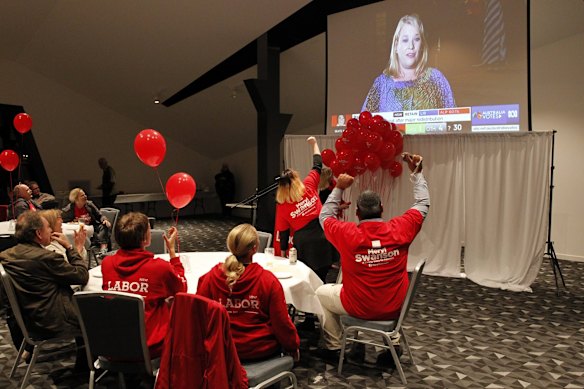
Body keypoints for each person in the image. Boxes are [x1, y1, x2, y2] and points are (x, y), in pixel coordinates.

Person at [315, 153, 429, 361]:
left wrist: (339, 187)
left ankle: (334, 347)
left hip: (359, 306)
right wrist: (417, 174)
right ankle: (390, 344)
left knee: (321, 293)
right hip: (395, 305)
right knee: (352, 283)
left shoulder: (348, 234)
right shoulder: (400, 229)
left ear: (357, 213)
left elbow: (325, 216)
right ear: (382, 209)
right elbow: (423, 203)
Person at [197, 223, 300, 362]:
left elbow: (198, 318)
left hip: (220, 351)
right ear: (255, 248)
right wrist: (293, 346)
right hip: (259, 352)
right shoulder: (268, 281)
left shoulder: (209, 278)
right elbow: (281, 323)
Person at [0, 211, 89, 369]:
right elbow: (82, 276)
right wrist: (69, 247)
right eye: (48, 227)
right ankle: (88, 366)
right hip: (52, 322)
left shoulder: (6, 256)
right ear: (39, 233)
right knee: (96, 314)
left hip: (28, 321)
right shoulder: (46, 258)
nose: (51, 231)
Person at [100, 212, 187, 358]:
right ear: (145, 238)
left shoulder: (107, 264)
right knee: (176, 304)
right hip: (150, 348)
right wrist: (172, 253)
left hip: (114, 345)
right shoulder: (159, 268)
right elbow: (181, 289)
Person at [362, 14, 455, 113]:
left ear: (422, 45)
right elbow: (363, 123)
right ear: (396, 46)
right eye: (405, 40)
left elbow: (454, 118)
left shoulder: (436, 78)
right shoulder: (381, 84)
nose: (411, 46)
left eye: (416, 39)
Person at [275, 136, 336, 283]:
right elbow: (317, 164)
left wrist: (283, 255)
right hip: (325, 237)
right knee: (323, 277)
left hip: (305, 245)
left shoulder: (282, 205)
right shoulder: (309, 186)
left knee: (307, 279)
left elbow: (283, 234)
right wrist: (314, 144)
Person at [61, 188, 111, 256]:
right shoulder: (69, 209)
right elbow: (63, 220)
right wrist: (74, 221)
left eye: (85, 194)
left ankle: (103, 249)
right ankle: (76, 252)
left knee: (103, 226)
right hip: (77, 228)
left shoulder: (89, 204)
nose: (85, 196)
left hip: (91, 226)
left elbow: (100, 215)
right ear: (76, 199)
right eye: (82, 195)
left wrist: (105, 220)